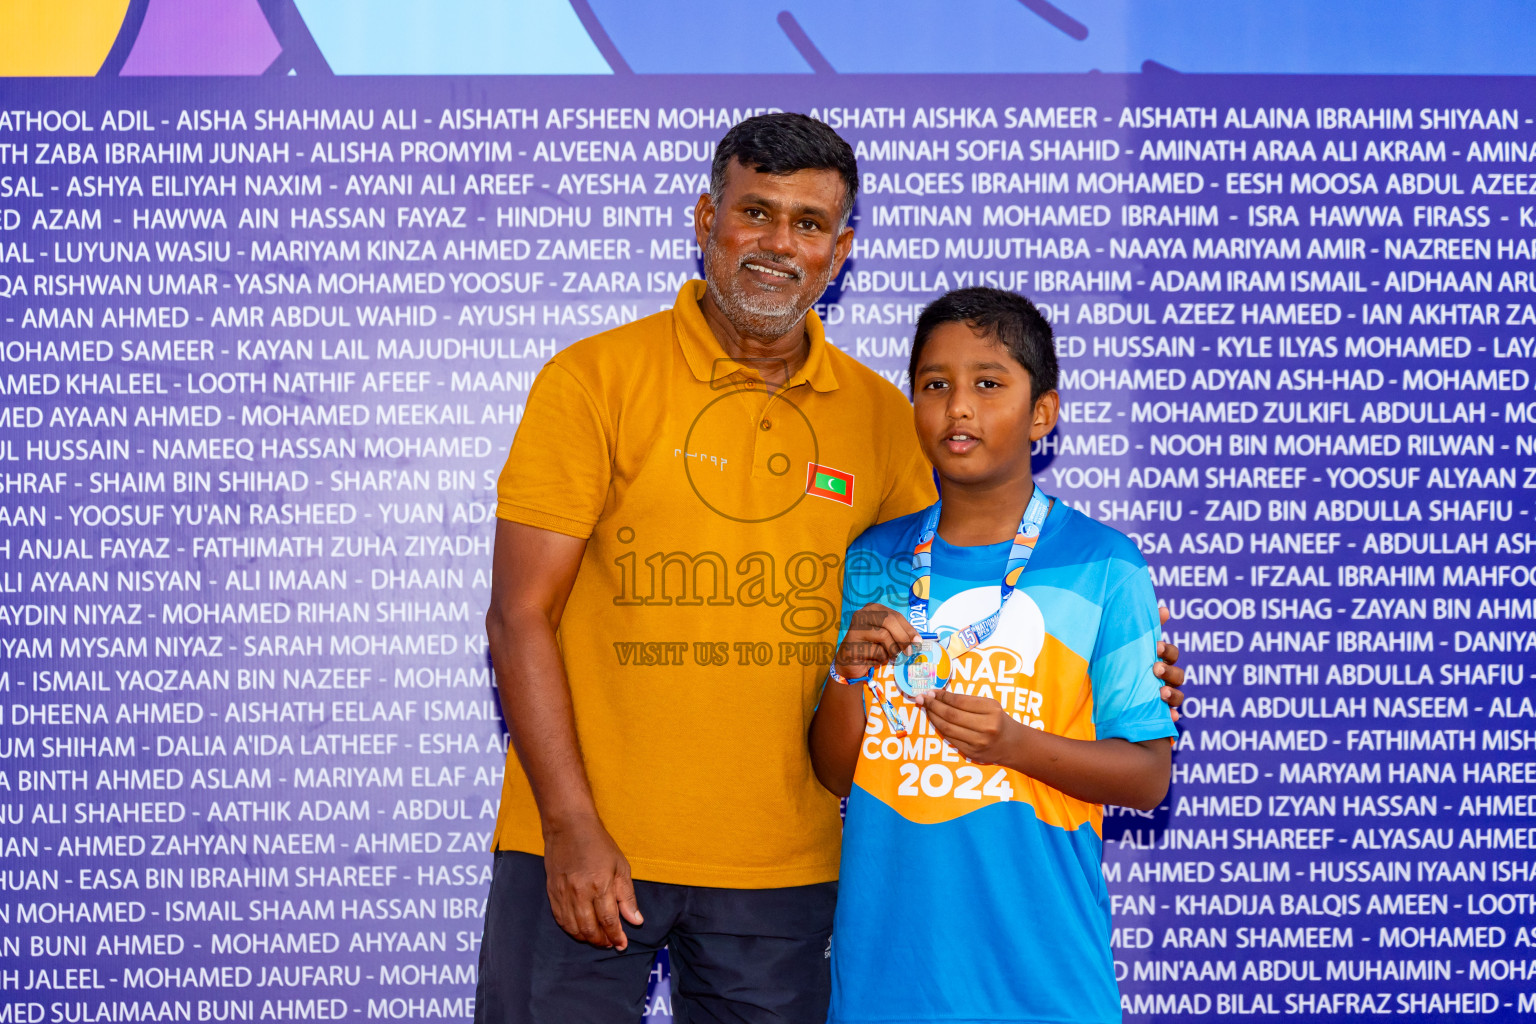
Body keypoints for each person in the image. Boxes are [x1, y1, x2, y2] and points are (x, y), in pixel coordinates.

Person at [476, 114, 1184, 1024]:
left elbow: (937, 599)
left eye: (808, 224)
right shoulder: (593, 379)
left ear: (841, 250)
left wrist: (1122, 669)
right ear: (705, 220)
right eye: (755, 213)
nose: (779, 245)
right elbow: (517, 616)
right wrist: (570, 826)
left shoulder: (892, 419)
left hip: (786, 873)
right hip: (584, 849)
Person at [809, 287, 1177, 1024]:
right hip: (888, 978)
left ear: (1043, 413)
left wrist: (1013, 744)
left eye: (989, 383)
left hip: (1043, 980)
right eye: (935, 385)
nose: (959, 407)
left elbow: (1145, 779)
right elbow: (830, 769)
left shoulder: (1105, 565)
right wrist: (847, 678)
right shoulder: (874, 560)